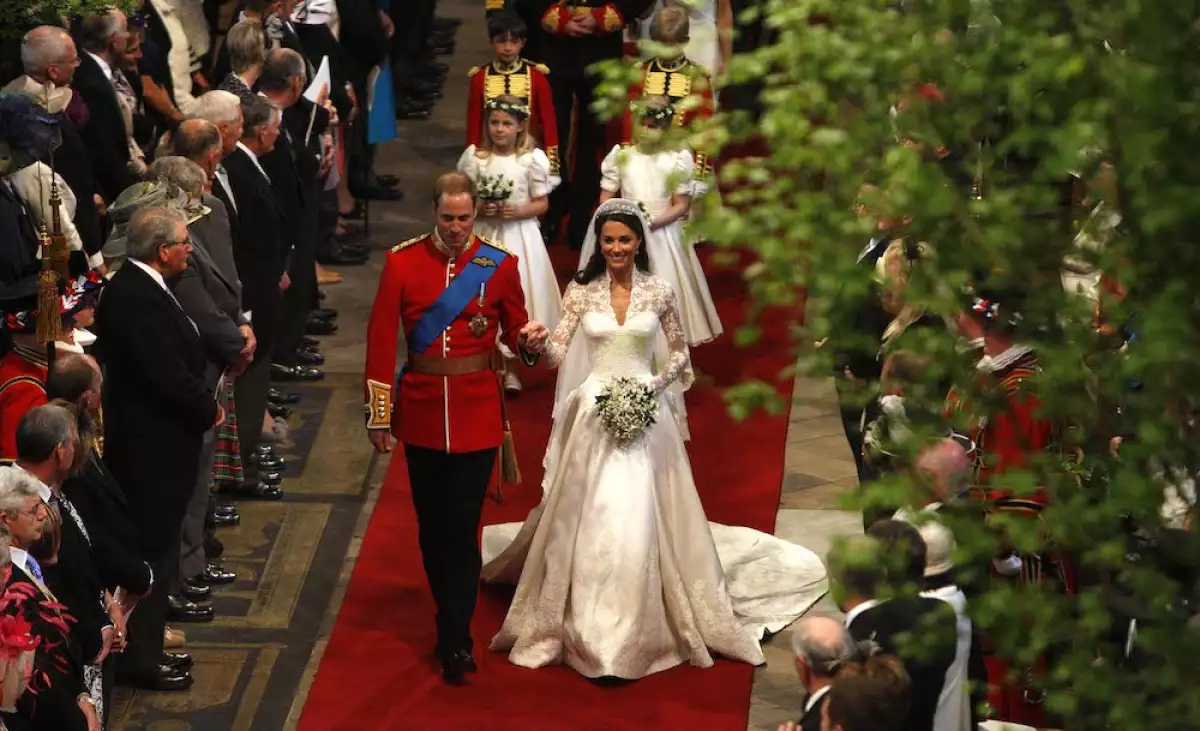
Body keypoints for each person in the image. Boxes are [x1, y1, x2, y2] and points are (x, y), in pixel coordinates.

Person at [479, 199, 826, 679]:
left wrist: (652, 388)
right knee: (594, 510)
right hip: (595, 412)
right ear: (598, 244)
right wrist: (531, 345)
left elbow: (680, 354)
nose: (616, 248)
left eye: (624, 240)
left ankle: (639, 623)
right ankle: (586, 622)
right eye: (609, 241)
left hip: (647, 411)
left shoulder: (659, 291)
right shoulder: (580, 292)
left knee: (641, 509)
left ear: (639, 242)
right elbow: (557, 353)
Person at [363, 171, 550, 683]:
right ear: (434, 213)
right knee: (432, 528)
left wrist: (529, 340)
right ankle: (449, 614)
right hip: (422, 415)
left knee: (463, 530)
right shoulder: (402, 262)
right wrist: (379, 415)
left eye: (464, 218)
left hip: (477, 414)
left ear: (475, 215)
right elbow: (380, 340)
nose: (455, 227)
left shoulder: (498, 264)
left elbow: (516, 329)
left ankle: (455, 638)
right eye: (447, 218)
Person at [94, 205, 218, 693]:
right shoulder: (135, 297)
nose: (190, 250)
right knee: (152, 555)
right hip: (151, 453)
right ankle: (140, 660)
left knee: (158, 553)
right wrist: (206, 408)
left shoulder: (142, 287)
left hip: (158, 446)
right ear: (163, 251)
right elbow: (165, 373)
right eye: (185, 243)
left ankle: (148, 649)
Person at [589, 99, 723, 347]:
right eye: (642, 124)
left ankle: (667, 349)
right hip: (626, 236)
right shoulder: (622, 156)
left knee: (664, 292)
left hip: (662, 236)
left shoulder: (675, 161)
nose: (645, 131)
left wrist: (651, 223)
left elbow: (681, 205)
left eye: (653, 126)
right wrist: (622, 218)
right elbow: (606, 197)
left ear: (666, 128)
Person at [457, 95, 562, 393]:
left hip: (519, 236)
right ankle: (483, 366)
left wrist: (518, 210)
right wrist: (481, 208)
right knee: (479, 296)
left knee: (517, 297)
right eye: (494, 123)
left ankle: (512, 368)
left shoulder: (530, 160)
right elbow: (465, 197)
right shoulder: (476, 159)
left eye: (506, 123)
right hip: (485, 234)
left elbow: (541, 203)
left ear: (520, 126)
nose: (499, 129)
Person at [0, 470, 96, 731]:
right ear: (6, 520)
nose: (43, 514)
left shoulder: (34, 561)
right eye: (33, 510)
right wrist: (78, 720)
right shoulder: (9, 590)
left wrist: (83, 694)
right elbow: (34, 680)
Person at [620, 6, 716, 181]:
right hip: (644, 153)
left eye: (670, 46)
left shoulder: (697, 77)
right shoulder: (641, 72)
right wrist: (627, 155)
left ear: (685, 42)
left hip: (681, 158)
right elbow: (629, 119)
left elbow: (704, 128)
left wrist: (700, 173)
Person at [465, 13, 559, 178]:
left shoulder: (536, 76)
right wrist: (471, 160)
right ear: (491, 42)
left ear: (523, 43)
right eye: (501, 41)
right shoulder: (480, 77)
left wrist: (552, 165)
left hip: (528, 152)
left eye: (514, 42)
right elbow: (474, 123)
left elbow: (549, 122)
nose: (507, 48)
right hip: (491, 152)